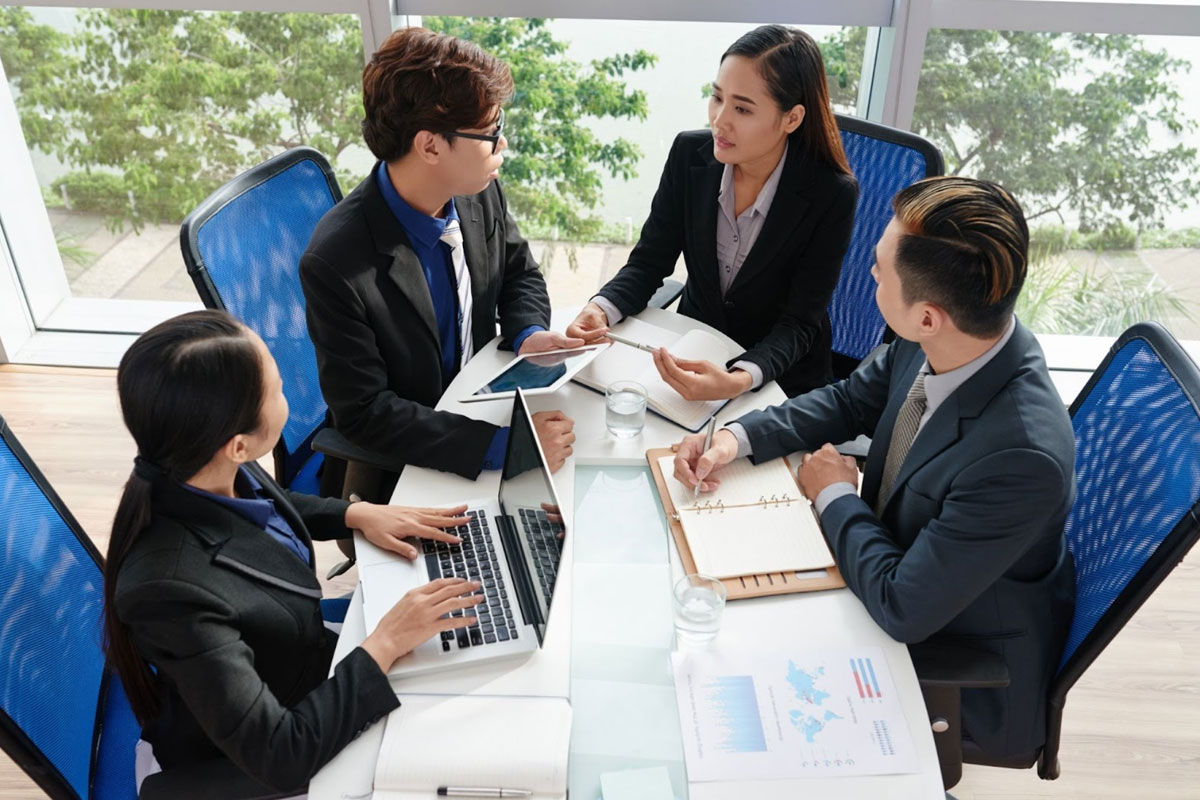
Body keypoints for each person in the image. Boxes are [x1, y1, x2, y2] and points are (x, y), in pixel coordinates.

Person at [673, 176, 1076, 760]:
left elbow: (903, 607)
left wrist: (835, 494)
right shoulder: (956, 338)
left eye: (880, 269)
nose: (871, 276)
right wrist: (734, 439)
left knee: (718, 680)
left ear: (929, 318)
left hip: (952, 658)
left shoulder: (1021, 456)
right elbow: (850, 400)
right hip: (894, 561)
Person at [104, 310, 484, 794]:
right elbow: (281, 756)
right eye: (278, 388)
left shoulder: (204, 465)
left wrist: (354, 514)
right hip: (263, 756)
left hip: (295, 660)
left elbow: (266, 507)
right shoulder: (171, 592)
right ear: (238, 445)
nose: (290, 395)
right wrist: (385, 643)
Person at [300, 27, 578, 490]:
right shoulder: (337, 263)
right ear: (429, 145)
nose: (502, 145)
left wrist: (527, 332)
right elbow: (366, 413)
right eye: (490, 133)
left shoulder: (474, 190)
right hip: (406, 463)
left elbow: (518, 272)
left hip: (484, 399)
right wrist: (503, 448)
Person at [566, 24, 858, 399]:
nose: (720, 120)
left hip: (778, 380)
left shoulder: (830, 193)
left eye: (742, 108)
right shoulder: (690, 156)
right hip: (692, 353)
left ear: (792, 118)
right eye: (717, 98)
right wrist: (600, 309)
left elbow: (800, 323)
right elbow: (648, 263)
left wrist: (740, 377)